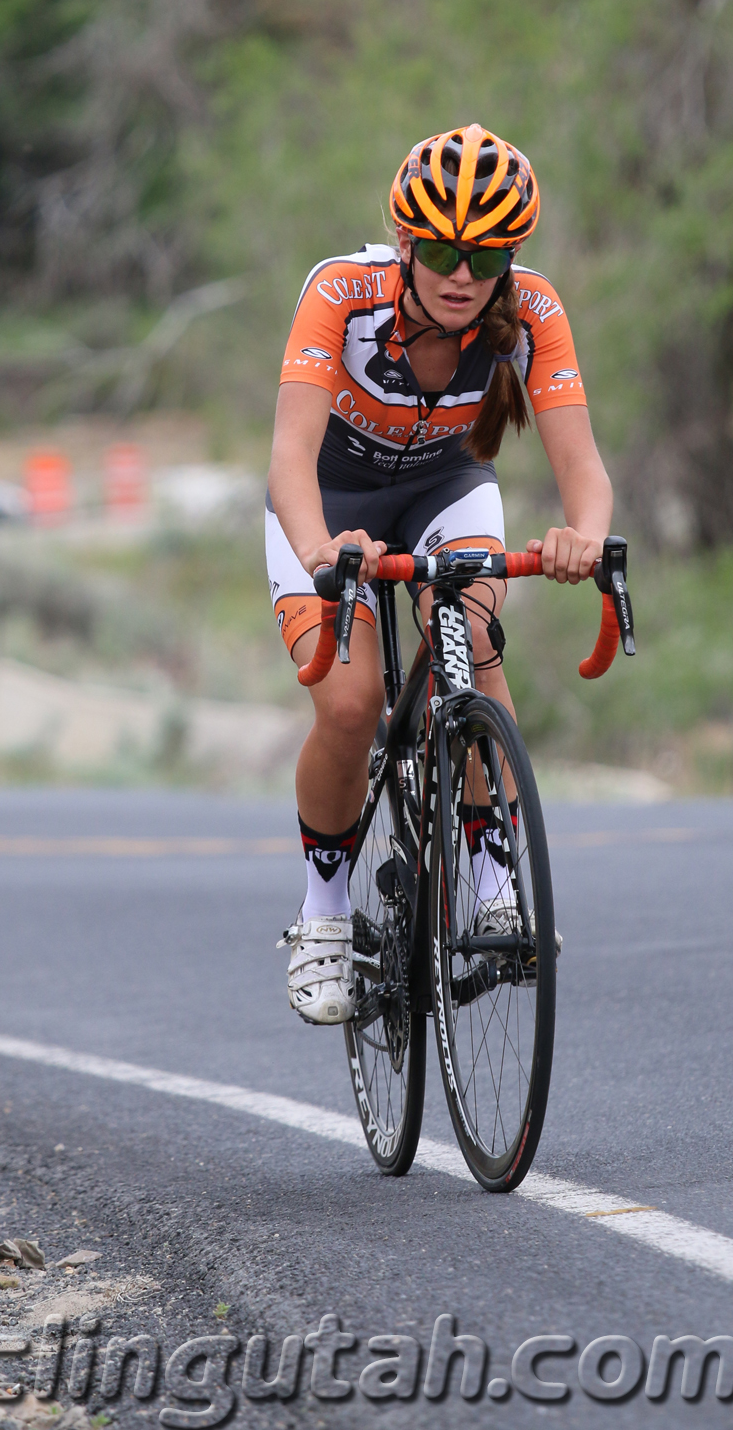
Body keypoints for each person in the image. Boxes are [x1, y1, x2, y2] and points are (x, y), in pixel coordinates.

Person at [266, 124, 613, 1024]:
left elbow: (584, 466)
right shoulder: (341, 292)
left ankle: (494, 875)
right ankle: (325, 912)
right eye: (443, 250)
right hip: (329, 500)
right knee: (348, 706)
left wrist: (586, 534)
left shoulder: (531, 309)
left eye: (488, 253)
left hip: (445, 487)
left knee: (471, 643)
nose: (463, 273)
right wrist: (317, 552)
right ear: (407, 242)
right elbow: (289, 460)